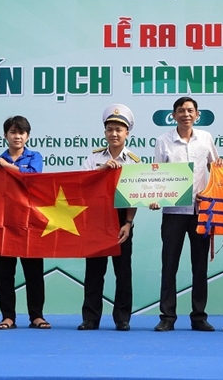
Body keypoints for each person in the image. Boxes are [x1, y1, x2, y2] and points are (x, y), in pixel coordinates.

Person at [150, 96, 222, 332]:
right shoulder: (163, 141)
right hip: (173, 211)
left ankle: (199, 316)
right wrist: (154, 198)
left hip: (201, 211)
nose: (186, 114)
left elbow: (217, 168)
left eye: (190, 110)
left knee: (199, 265)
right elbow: (157, 174)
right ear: (174, 115)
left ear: (197, 115)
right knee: (169, 264)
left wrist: (212, 193)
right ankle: (167, 317)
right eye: (181, 111)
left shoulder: (206, 139)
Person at [0, 116, 50, 330]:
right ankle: (7, 317)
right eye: (13, 132)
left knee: (34, 273)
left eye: (22, 133)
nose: (17, 136)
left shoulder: (34, 157)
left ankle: (37, 316)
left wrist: (8, 166)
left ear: (28, 136)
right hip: (3, 222)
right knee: (5, 273)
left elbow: (34, 177)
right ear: (5, 135)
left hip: (31, 222)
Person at [77, 104, 139, 332]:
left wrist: (128, 223)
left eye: (119, 130)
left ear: (127, 134)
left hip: (121, 218)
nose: (114, 134)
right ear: (105, 132)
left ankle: (122, 318)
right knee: (94, 271)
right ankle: (90, 318)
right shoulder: (93, 158)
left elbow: (136, 197)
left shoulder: (133, 161)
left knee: (123, 271)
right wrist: (101, 170)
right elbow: (82, 187)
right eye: (110, 129)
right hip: (95, 219)